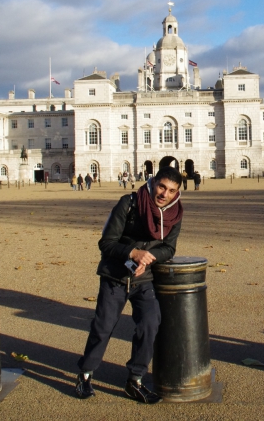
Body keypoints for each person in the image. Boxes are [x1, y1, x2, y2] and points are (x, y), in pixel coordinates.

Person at [75, 166, 184, 404]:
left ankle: (135, 380)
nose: (165, 193)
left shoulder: (175, 213)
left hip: (143, 279)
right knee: (103, 327)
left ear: (177, 193)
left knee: (150, 322)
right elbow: (106, 243)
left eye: (171, 190)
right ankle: (85, 374)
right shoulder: (129, 203)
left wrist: (148, 258)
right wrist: (134, 253)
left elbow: (169, 248)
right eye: (162, 186)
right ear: (153, 182)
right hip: (115, 276)